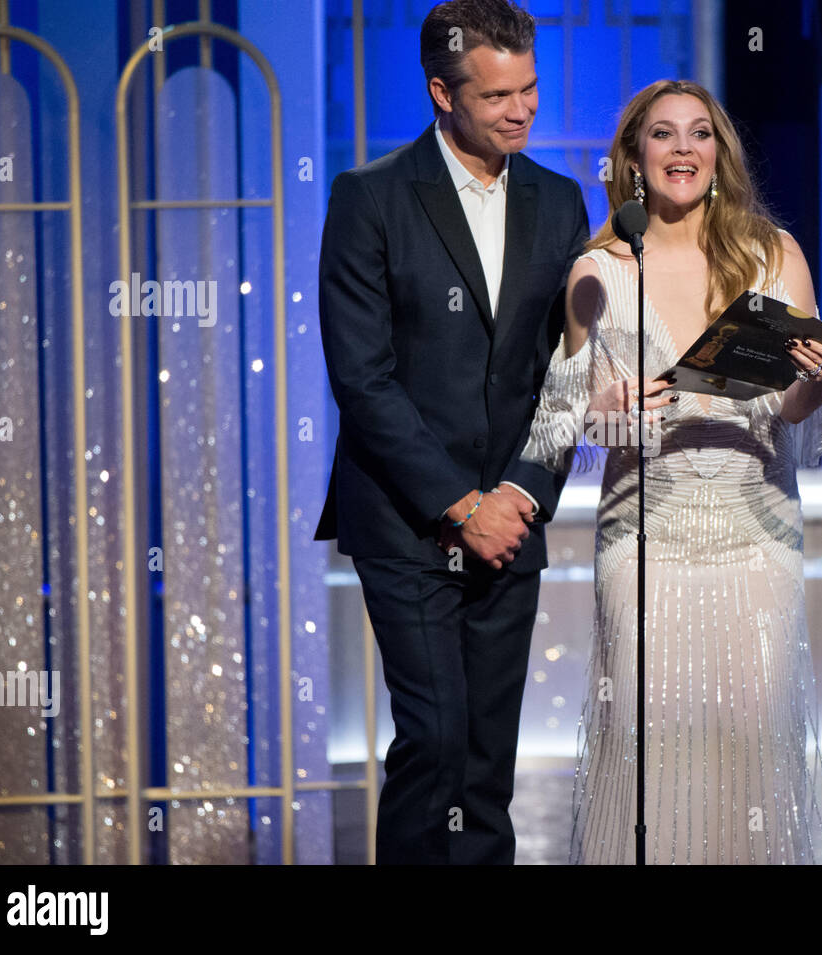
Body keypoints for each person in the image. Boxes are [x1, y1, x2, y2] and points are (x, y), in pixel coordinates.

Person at [518, 79, 822, 864]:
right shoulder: (598, 270)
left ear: (718, 153)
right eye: (663, 135)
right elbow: (558, 425)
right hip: (646, 547)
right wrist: (611, 405)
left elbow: (796, 418)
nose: (683, 150)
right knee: (648, 754)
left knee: (750, 749)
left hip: (755, 541)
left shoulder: (772, 254)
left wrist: (818, 377)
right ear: (634, 158)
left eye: (700, 134)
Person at [313, 0, 588, 864]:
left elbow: (568, 372)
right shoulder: (372, 197)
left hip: (512, 521)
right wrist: (459, 502)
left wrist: (518, 495)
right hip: (407, 518)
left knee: (484, 763)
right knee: (433, 738)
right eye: (498, 95)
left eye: (531, 90)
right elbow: (362, 377)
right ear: (442, 92)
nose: (521, 110)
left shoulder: (559, 202)